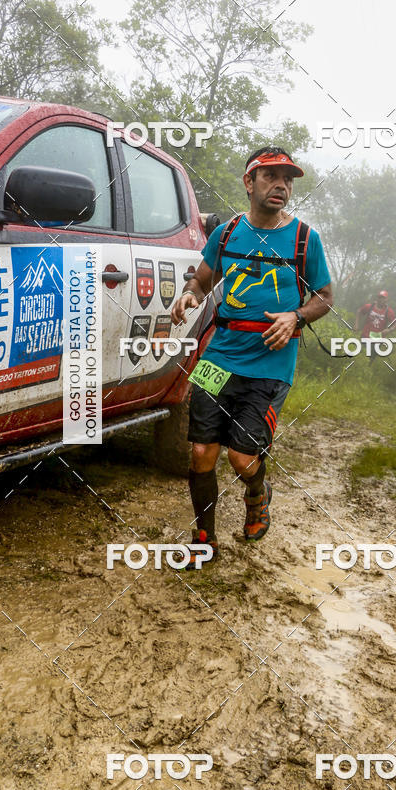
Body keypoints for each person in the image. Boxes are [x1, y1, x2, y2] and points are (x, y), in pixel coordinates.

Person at [170, 146, 333, 566]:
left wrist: (296, 317)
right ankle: (205, 537)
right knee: (202, 452)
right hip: (217, 358)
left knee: (242, 457)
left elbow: (325, 298)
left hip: (271, 363)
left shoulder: (303, 239)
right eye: (271, 177)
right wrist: (189, 296)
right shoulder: (226, 234)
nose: (281, 185)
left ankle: (257, 495)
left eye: (288, 180)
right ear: (249, 182)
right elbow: (202, 282)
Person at [356, 291, 396, 358]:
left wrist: (389, 330)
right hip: (365, 337)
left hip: (377, 340)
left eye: (383, 298)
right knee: (359, 357)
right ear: (377, 298)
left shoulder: (389, 311)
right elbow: (359, 311)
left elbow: (394, 324)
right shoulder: (369, 306)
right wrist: (356, 324)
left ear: (386, 299)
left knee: (369, 360)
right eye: (380, 297)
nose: (381, 300)